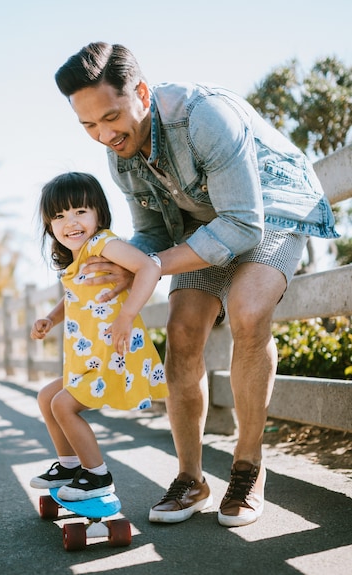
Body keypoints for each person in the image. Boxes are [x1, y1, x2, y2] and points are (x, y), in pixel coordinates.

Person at [53, 42, 339, 525]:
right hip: (200, 227)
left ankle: (248, 467)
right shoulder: (119, 154)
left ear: (141, 92)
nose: (104, 134)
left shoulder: (204, 116)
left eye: (111, 117)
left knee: (248, 311)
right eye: (88, 126)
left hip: (270, 212)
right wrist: (130, 261)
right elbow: (153, 233)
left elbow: (244, 225)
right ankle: (191, 478)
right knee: (183, 331)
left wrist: (150, 265)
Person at [29, 171, 168, 501]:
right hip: (89, 358)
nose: (71, 222)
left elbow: (149, 267)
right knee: (47, 398)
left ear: (98, 214)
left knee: (64, 406)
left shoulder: (103, 243)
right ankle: (69, 465)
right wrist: (50, 317)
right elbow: (75, 296)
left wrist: (127, 315)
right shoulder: (78, 258)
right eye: (59, 216)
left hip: (113, 354)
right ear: (49, 226)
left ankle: (97, 475)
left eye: (80, 211)